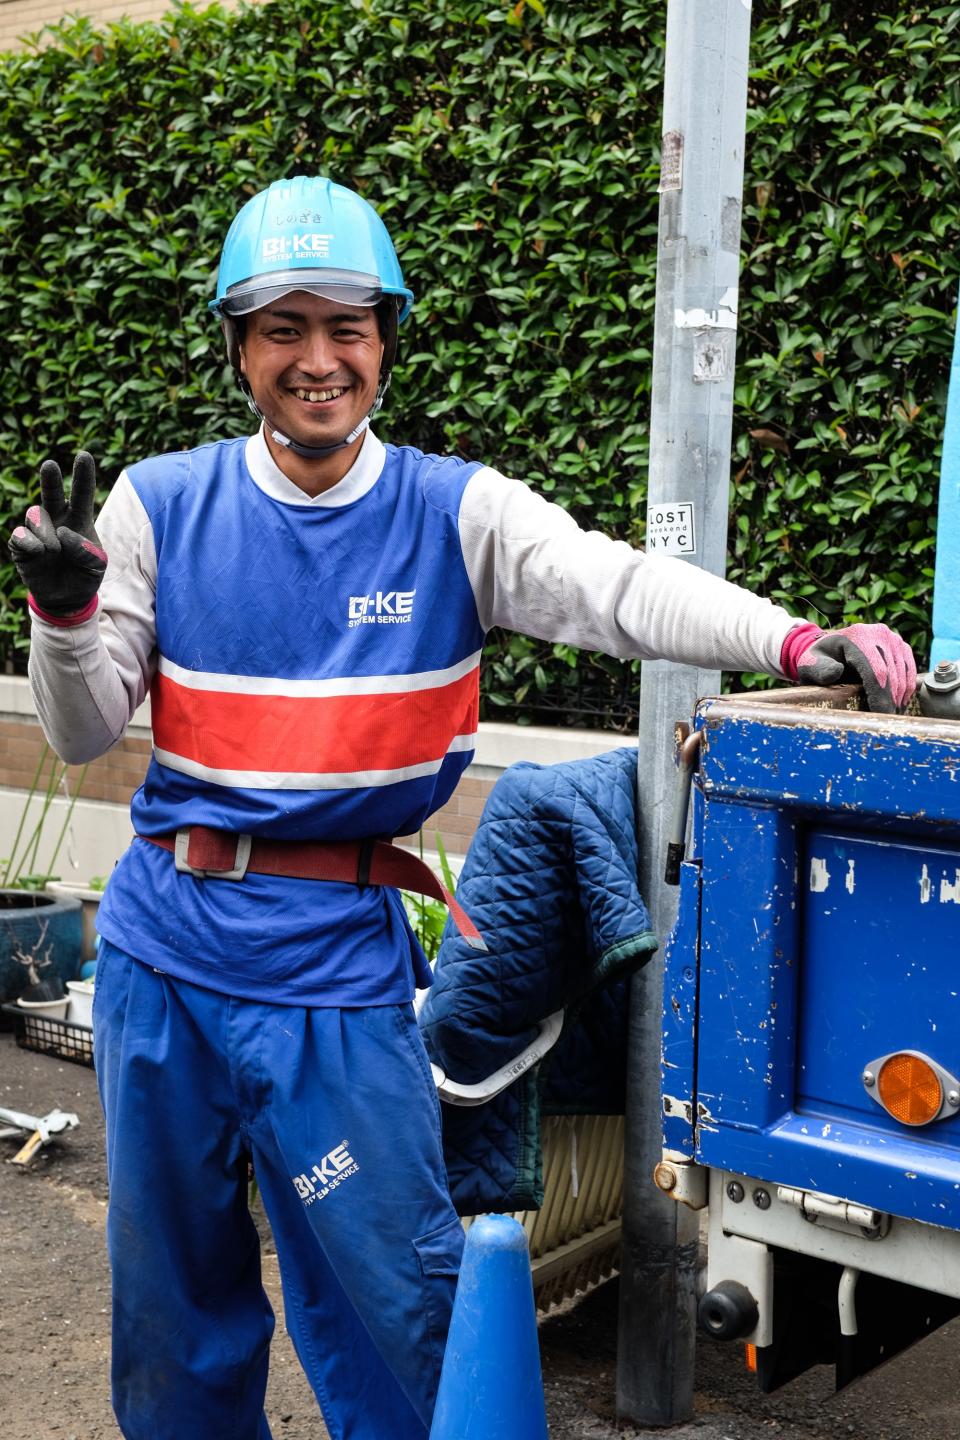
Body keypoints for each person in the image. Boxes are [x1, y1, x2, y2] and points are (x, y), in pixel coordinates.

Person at [9, 174, 916, 1440]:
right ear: (238, 349)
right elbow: (83, 725)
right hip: (164, 957)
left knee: (397, 1303)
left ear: (386, 341)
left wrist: (791, 638)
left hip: (334, 973)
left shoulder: (456, 511)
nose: (317, 361)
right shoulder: (159, 502)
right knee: (171, 1306)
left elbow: (620, 589)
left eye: (346, 328)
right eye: (283, 329)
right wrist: (60, 619)